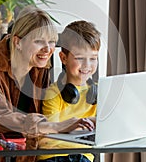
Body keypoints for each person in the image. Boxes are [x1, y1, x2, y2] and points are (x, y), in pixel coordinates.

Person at [0, 6, 94, 162]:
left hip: (13, 152)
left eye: (52, 41)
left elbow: (41, 116)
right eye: (39, 41)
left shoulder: (39, 66)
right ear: (17, 42)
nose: (48, 49)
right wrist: (56, 126)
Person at [37, 20, 101, 162]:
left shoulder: (98, 92)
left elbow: (109, 125)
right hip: (53, 156)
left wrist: (82, 123)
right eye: (79, 58)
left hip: (83, 156)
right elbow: (51, 129)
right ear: (63, 58)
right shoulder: (53, 93)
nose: (87, 65)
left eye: (93, 58)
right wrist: (90, 123)